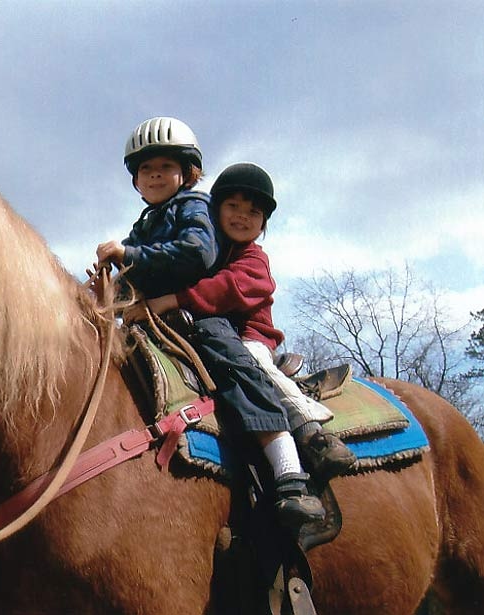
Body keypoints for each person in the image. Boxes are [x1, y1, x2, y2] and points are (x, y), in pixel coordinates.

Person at [98, 118, 325, 528]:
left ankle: (291, 464)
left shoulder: (196, 211)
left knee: (238, 364)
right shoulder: (146, 223)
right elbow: (138, 278)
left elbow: (200, 263)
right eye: (146, 169)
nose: (154, 175)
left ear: (188, 173)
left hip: (218, 325)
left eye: (165, 167)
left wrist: (130, 256)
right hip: (163, 320)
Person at [125, 162, 356, 482]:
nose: (241, 216)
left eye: (253, 212)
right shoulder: (214, 255)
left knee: (252, 367)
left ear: (263, 225)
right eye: (232, 206)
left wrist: (172, 300)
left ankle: (307, 436)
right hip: (214, 332)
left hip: (249, 335)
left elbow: (229, 288)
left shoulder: (253, 258)